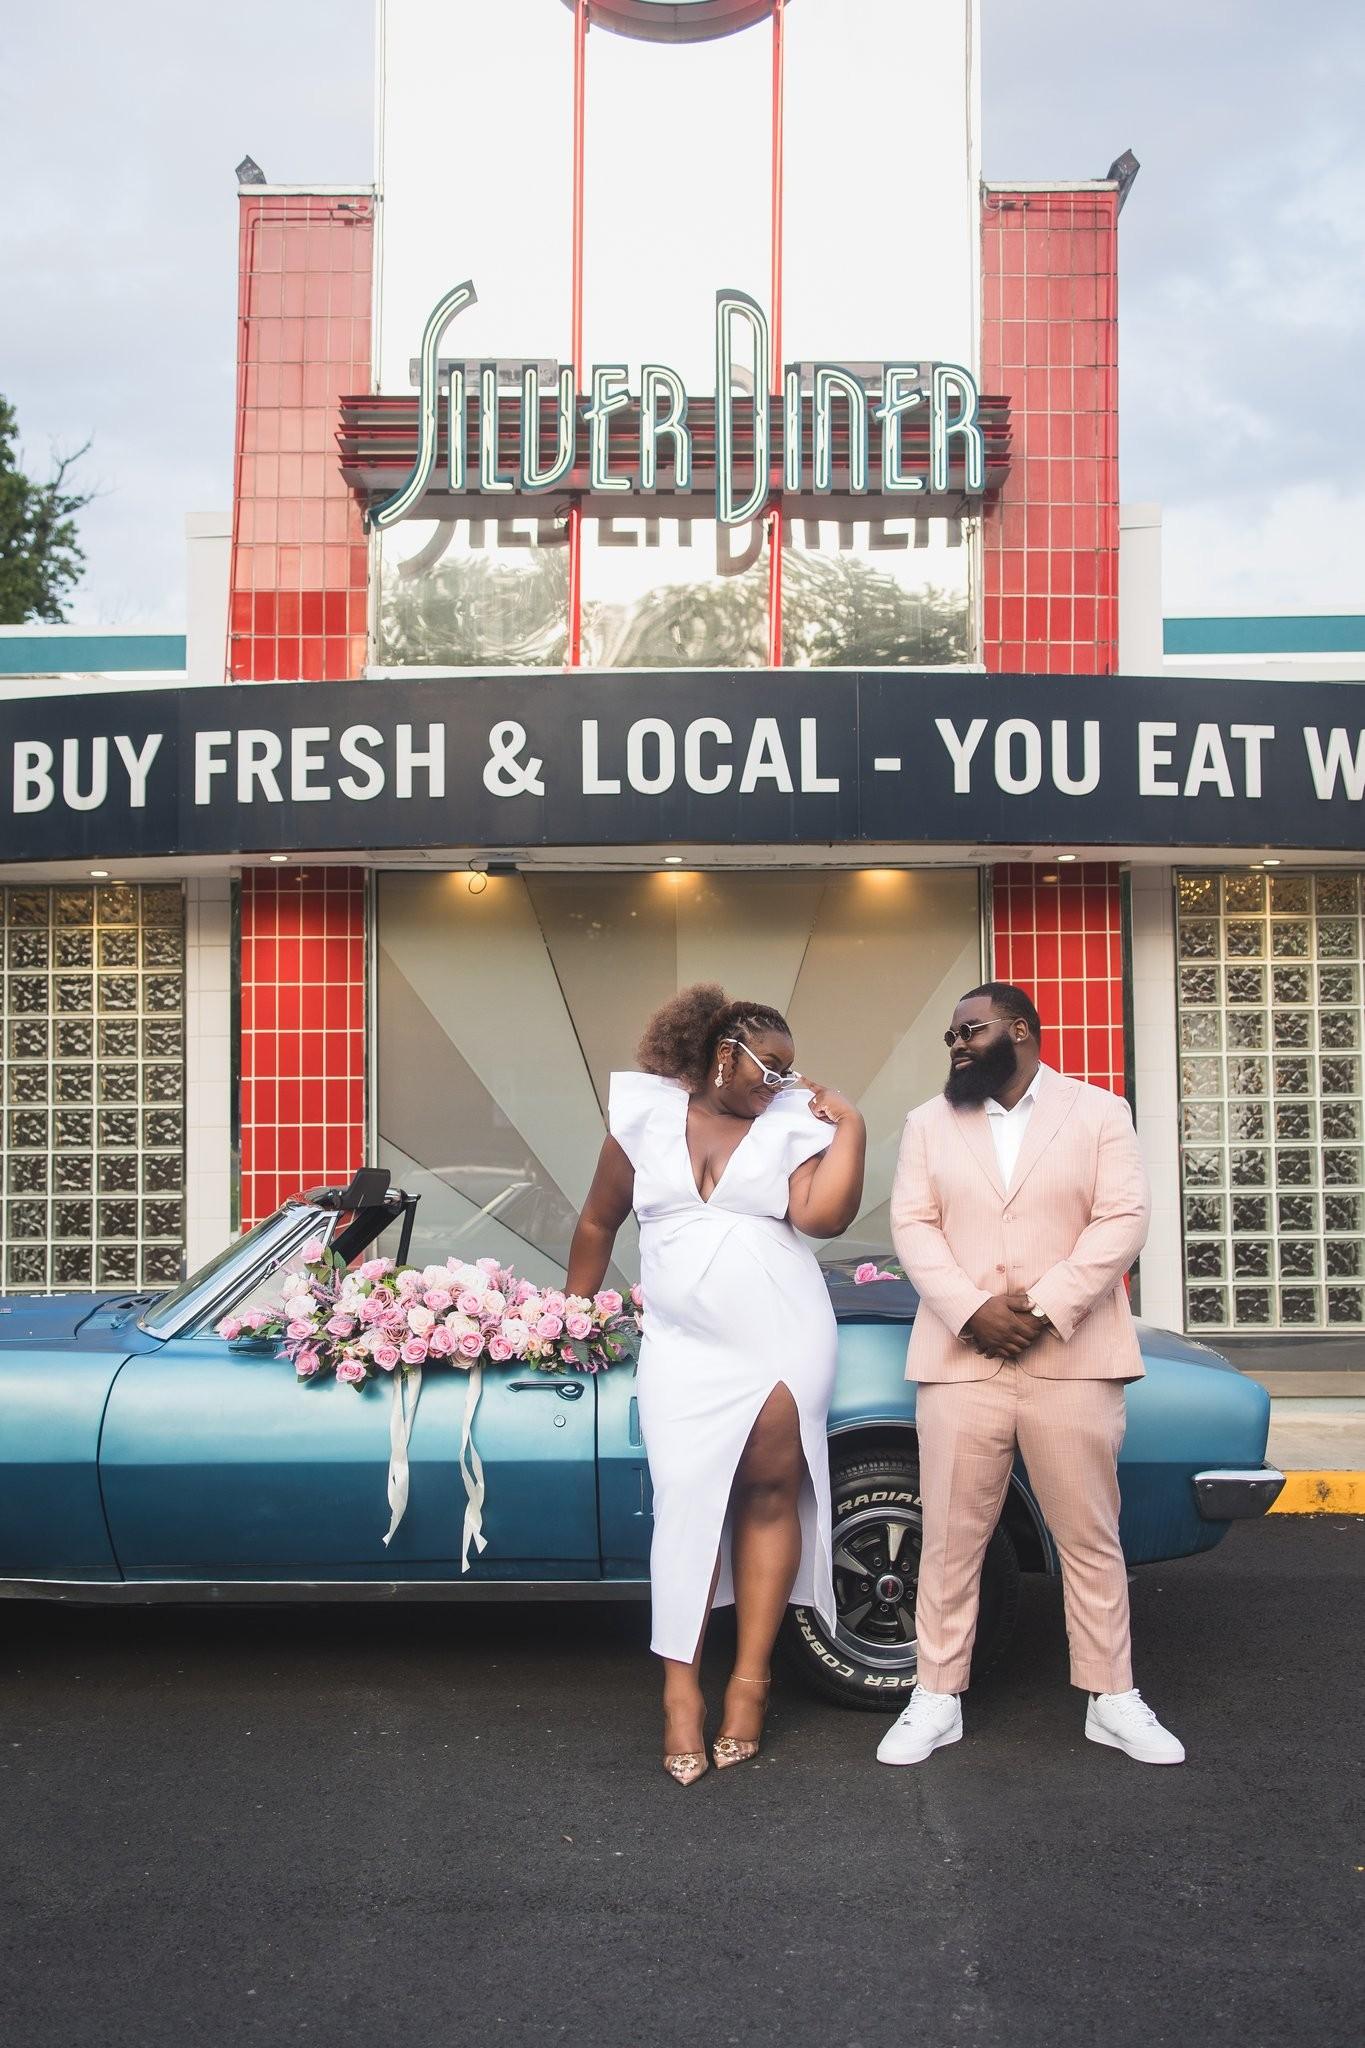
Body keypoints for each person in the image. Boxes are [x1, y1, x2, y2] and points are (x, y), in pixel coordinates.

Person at [877, 981, 1185, 1769]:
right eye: (949, 1035)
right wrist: (973, 1309)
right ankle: (935, 1697)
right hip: (960, 1359)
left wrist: (1043, 1306)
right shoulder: (924, 1123)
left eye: (968, 1030)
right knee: (949, 1538)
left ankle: (1111, 1698)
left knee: (1089, 1537)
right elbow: (911, 1225)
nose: (955, 1044)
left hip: (1073, 1358)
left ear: (1019, 1029)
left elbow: (1123, 1218)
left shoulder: (1098, 1112)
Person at [567, 984, 865, 1785]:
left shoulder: (794, 1124)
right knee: (686, 1504)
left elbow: (824, 1221)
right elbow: (599, 1222)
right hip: (681, 1350)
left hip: (781, 1335)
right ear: (718, 1054)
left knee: (769, 1494)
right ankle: (678, 1696)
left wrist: (854, 1129)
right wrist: (576, 1316)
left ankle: (749, 1682)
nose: (779, 1081)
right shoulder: (641, 1121)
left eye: (789, 1070)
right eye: (768, 1066)